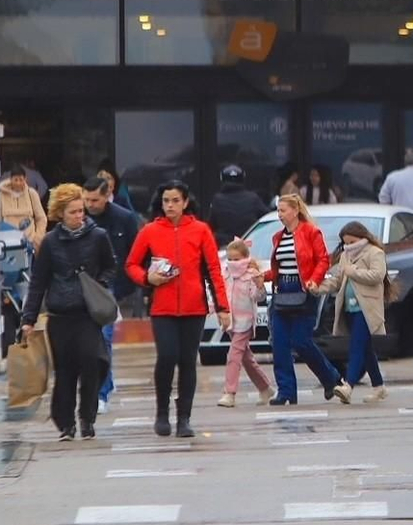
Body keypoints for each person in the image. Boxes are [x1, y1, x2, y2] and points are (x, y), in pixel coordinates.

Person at [126, 180, 229, 438]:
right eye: (165, 201)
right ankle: (162, 412)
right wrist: (148, 279)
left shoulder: (201, 230)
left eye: (175, 201)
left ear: (185, 202)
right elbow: (131, 264)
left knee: (187, 362)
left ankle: (184, 417)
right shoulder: (150, 231)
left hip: (194, 307)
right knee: (167, 356)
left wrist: (222, 307)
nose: (170, 206)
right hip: (163, 307)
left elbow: (215, 270)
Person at [20, 184, 116, 441]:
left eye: (81, 211)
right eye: (73, 212)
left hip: (87, 313)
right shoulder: (50, 242)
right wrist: (28, 319)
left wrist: (99, 284)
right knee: (65, 371)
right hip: (60, 315)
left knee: (92, 363)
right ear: (60, 213)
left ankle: (87, 418)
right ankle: (66, 423)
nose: (79, 216)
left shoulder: (98, 236)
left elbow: (110, 266)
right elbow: (38, 282)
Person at [265, 194, 348, 405]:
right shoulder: (278, 237)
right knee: (280, 343)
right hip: (283, 289)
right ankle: (286, 392)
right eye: (278, 211)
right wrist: (263, 276)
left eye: (283, 211)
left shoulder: (311, 232)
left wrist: (314, 280)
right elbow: (279, 268)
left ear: (295, 211)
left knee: (301, 342)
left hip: (304, 290)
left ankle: (331, 378)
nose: (280, 215)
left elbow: (323, 259)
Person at [313, 221, 389, 403]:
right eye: (345, 243)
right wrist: (318, 287)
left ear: (363, 237)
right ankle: (379, 386)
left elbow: (377, 275)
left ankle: (348, 386)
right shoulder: (346, 256)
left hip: (366, 309)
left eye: (352, 241)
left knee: (356, 346)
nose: (348, 246)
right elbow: (338, 281)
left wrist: (353, 271)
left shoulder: (374, 252)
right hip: (350, 308)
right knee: (365, 348)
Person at [83, 176, 139, 414]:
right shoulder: (79, 219)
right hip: (82, 285)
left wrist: (128, 286)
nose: (90, 204)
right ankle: (106, 382)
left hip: (109, 286)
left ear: (107, 196)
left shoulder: (124, 218)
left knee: (104, 339)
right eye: (86, 199)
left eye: (95, 199)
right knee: (86, 342)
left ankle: (101, 393)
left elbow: (134, 253)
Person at [216, 238, 273, 408]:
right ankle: (265, 388)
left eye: (237, 259)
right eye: (230, 259)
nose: (233, 263)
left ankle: (229, 392)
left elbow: (258, 297)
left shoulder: (251, 275)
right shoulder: (225, 274)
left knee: (234, 356)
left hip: (245, 322)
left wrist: (259, 286)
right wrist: (217, 309)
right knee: (246, 358)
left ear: (245, 258)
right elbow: (219, 293)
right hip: (230, 322)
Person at [208, 165, 267, 247]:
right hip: (249, 245)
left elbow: (211, 225)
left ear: (222, 179)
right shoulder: (253, 198)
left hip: (226, 245)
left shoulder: (217, 200)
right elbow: (265, 219)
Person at [0, 165, 47, 250]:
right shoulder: (0, 196)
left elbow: (41, 218)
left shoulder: (32, 194)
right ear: (10, 180)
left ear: (25, 179)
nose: (18, 183)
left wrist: (37, 238)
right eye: (15, 180)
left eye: (21, 180)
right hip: (8, 243)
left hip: (30, 242)